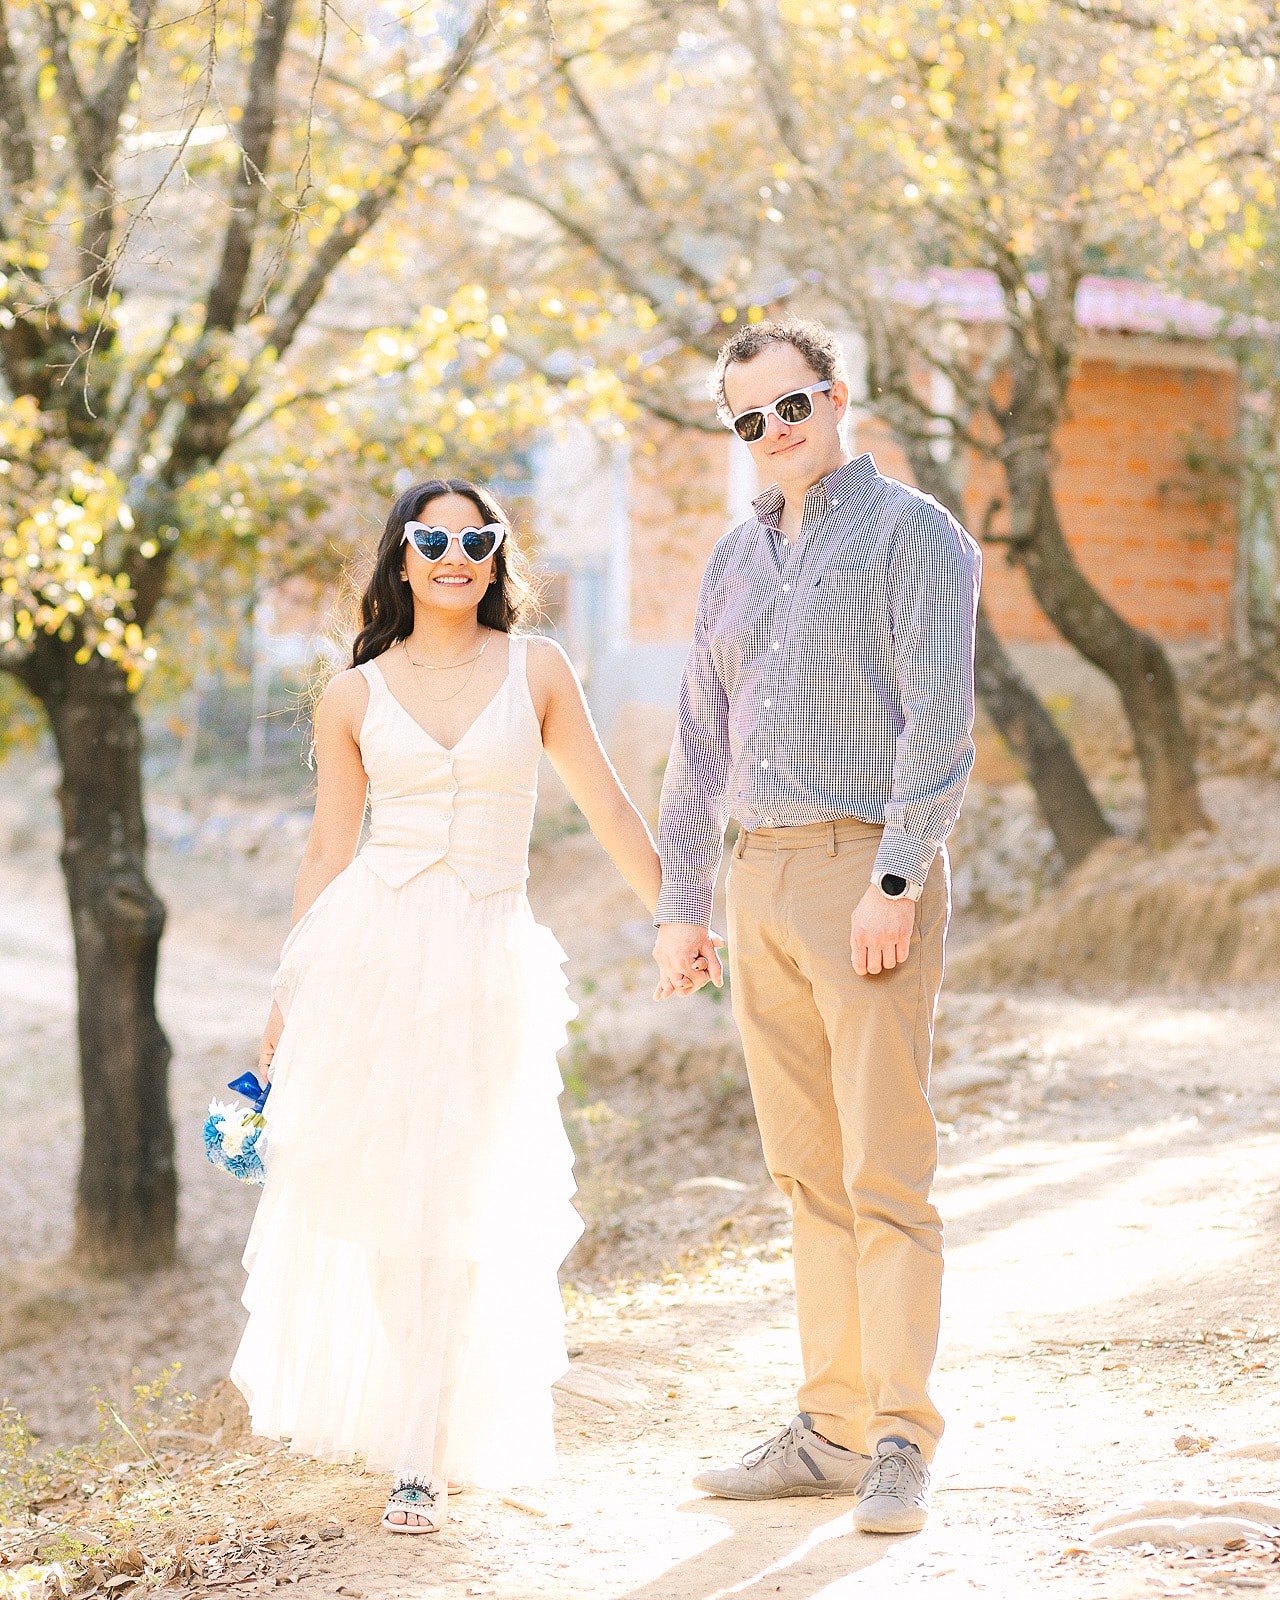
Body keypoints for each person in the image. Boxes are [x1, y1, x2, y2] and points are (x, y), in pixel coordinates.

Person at [233, 478, 662, 1533]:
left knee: (468, 1195)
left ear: (496, 554)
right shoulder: (353, 693)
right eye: (434, 538)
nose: (455, 553)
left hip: (487, 960)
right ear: (403, 556)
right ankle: (412, 1434)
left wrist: (678, 916)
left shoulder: (540, 669)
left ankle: (430, 1436)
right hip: (368, 960)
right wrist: (286, 995)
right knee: (384, 1203)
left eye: (477, 537)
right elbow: (330, 849)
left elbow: (604, 801)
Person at [652, 319, 980, 1534]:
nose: (773, 433)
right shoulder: (731, 561)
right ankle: (830, 1427)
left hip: (860, 875)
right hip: (755, 880)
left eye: (789, 406)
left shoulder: (912, 535)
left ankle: (900, 1437)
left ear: (835, 397)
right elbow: (697, 740)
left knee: (882, 1168)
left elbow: (937, 725)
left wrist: (895, 880)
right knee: (804, 1173)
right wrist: (682, 902)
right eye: (747, 420)